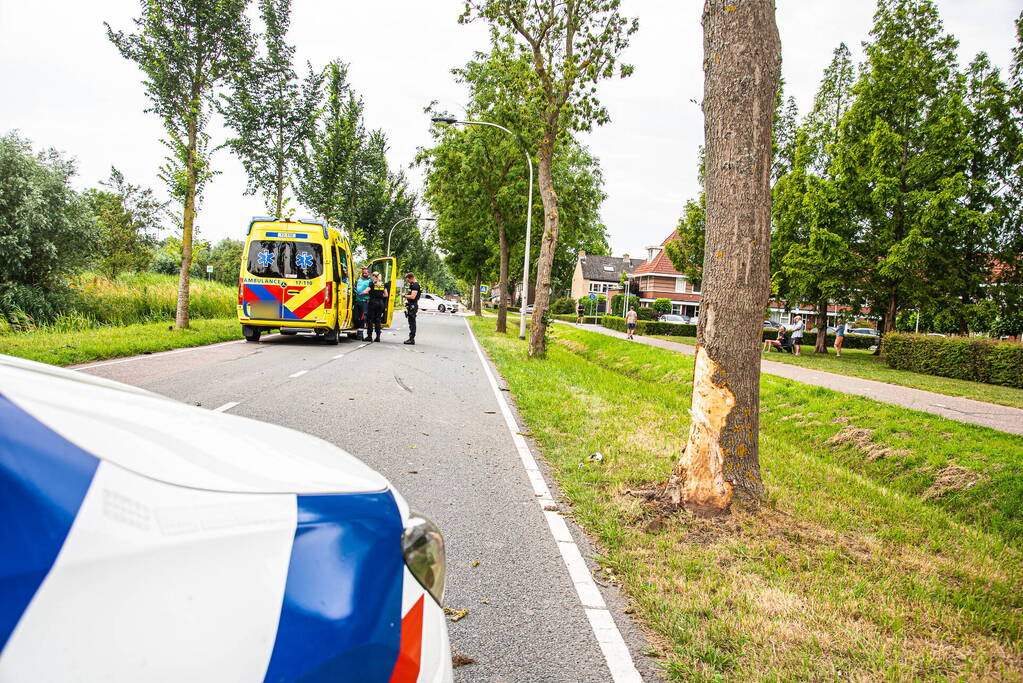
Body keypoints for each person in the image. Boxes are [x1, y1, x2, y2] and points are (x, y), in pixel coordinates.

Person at [365, 271, 389, 343]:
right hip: (381, 303)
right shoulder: (383, 284)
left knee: (370, 319)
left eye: (372, 276)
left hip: (373, 302)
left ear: (374, 276)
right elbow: (386, 295)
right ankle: (378, 337)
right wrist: (380, 296)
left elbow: (366, 291)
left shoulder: (372, 284)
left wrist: (361, 293)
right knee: (378, 319)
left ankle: (369, 336)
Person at [401, 272, 422, 345]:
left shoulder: (415, 285)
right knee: (411, 322)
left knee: (412, 322)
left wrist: (404, 295)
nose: (408, 281)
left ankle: (412, 339)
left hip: (413, 305)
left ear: (411, 278)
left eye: (408, 280)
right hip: (411, 305)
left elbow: (413, 296)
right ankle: (411, 338)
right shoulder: (413, 285)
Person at [354, 266, 372, 341]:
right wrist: (355, 289)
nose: (364, 274)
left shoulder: (370, 281)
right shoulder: (358, 279)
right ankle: (355, 332)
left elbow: (370, 289)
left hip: (364, 301)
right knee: (355, 317)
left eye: (365, 273)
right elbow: (355, 286)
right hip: (357, 300)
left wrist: (364, 292)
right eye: (363, 273)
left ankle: (360, 335)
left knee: (362, 318)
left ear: (368, 273)